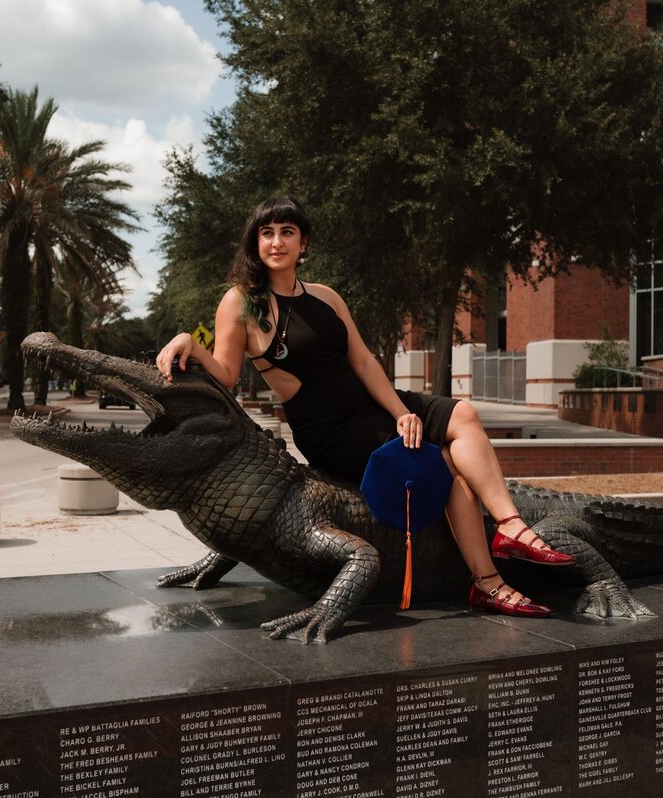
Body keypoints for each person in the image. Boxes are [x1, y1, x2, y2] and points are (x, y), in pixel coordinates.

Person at [156, 196, 573, 617]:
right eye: (267, 233)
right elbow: (226, 374)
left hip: (372, 409)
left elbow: (363, 361)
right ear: (255, 242)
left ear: (304, 244)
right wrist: (189, 342)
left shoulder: (326, 297)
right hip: (332, 431)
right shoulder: (241, 302)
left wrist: (401, 413)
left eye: (287, 232)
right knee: (447, 467)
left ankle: (508, 528)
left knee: (462, 414)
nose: (276, 242)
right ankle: (489, 581)